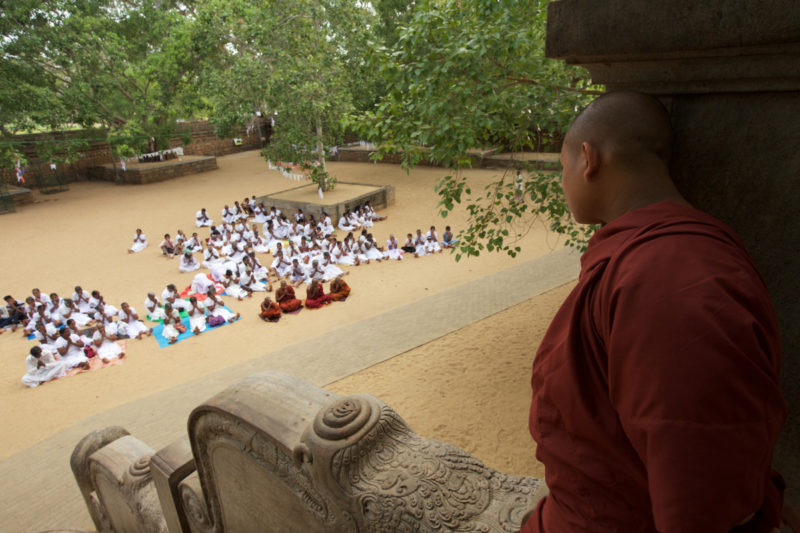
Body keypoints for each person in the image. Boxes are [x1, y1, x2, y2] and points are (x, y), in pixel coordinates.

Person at [520, 91, 788, 533]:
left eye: (562, 166)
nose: (563, 179)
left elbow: (703, 503)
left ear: (588, 160)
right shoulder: (656, 258)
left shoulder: (670, 277)